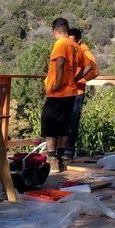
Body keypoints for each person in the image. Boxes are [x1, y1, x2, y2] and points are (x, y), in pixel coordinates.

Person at [40, 17, 80, 171]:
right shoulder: (74, 45)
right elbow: (88, 66)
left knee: (49, 125)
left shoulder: (61, 44)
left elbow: (61, 62)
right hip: (70, 91)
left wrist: (57, 83)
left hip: (58, 93)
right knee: (63, 127)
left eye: (53, 34)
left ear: (56, 32)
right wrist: (72, 79)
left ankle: (52, 159)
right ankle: (62, 159)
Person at [65, 27, 98, 158]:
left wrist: (77, 80)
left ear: (79, 41)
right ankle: (61, 149)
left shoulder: (84, 51)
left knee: (73, 122)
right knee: (63, 121)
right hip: (65, 92)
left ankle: (69, 150)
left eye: (73, 41)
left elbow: (94, 70)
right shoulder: (68, 49)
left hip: (77, 92)